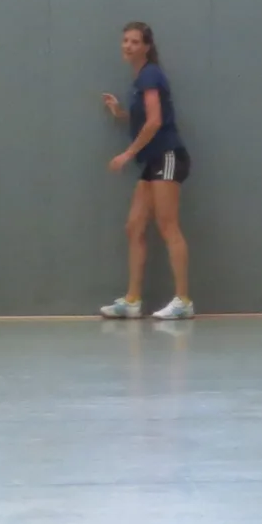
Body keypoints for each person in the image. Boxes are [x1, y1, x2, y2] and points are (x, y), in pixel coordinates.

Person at [99, 21, 194, 321]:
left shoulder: (151, 74)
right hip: (153, 161)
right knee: (135, 226)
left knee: (168, 225)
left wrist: (128, 154)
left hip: (168, 156)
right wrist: (120, 113)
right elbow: (143, 118)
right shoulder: (140, 79)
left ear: (147, 46)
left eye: (135, 41)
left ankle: (183, 301)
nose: (128, 46)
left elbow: (154, 122)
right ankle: (132, 301)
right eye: (125, 40)